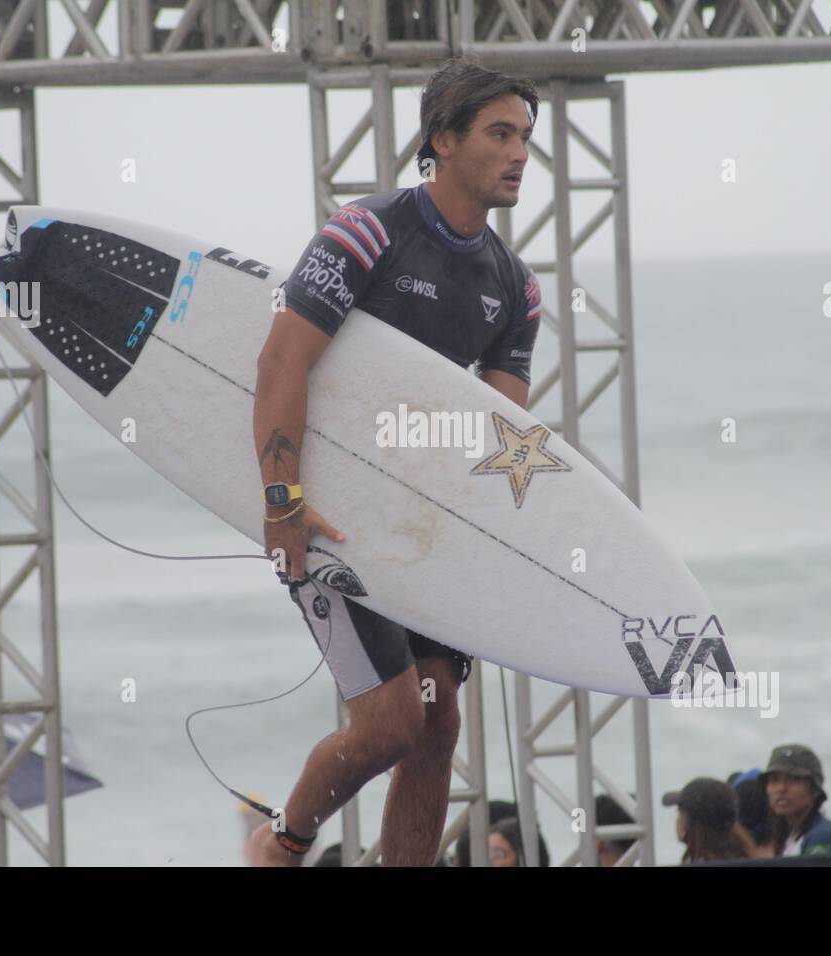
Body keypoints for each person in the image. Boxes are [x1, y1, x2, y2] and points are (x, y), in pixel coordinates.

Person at [245, 57, 542, 867]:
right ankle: (282, 844)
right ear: (443, 140)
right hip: (324, 509)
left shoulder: (515, 289)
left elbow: (494, 435)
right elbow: (280, 364)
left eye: (526, 137)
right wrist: (282, 501)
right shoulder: (366, 232)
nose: (520, 154)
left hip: (417, 525)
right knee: (390, 723)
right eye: (500, 134)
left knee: (437, 720)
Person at [760, 744, 831, 855]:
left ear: (814, 789)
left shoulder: (822, 837)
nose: (781, 788)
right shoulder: (790, 836)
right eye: (774, 780)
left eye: (793, 780)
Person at [663, 778, 753, 863]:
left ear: (689, 824)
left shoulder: (702, 862)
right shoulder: (746, 859)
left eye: (680, 811)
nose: (677, 818)